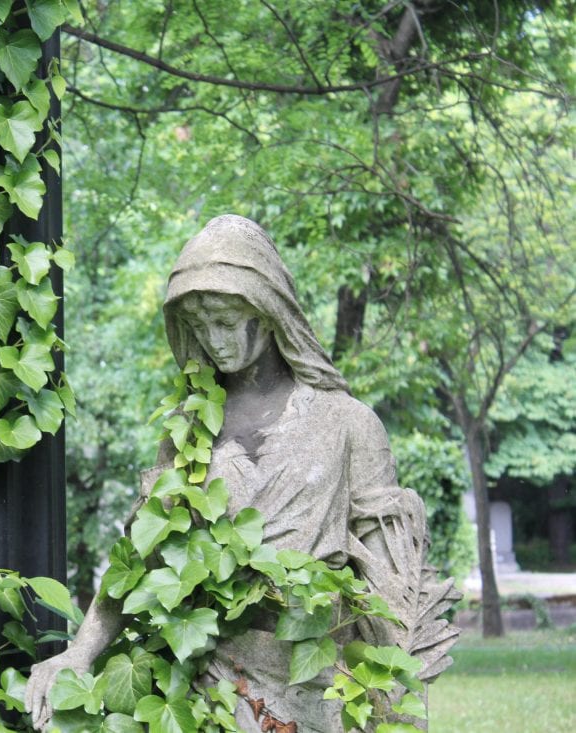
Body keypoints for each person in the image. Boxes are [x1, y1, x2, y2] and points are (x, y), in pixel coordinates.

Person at [25, 215, 458, 732]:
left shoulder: (347, 424)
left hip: (324, 683)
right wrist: (80, 651)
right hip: (216, 686)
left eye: (227, 321)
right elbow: (142, 555)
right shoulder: (190, 429)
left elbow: (391, 579)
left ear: (268, 310)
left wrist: (397, 702)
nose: (214, 340)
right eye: (199, 326)